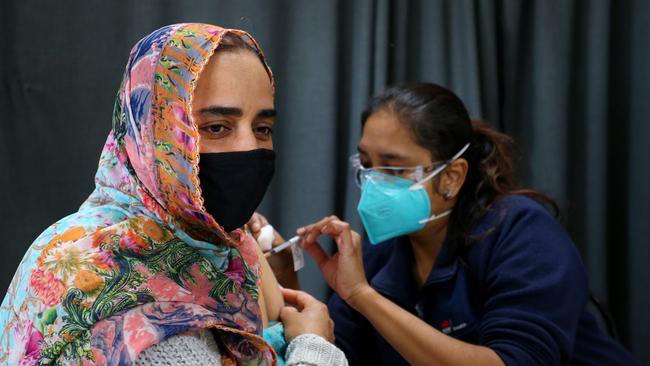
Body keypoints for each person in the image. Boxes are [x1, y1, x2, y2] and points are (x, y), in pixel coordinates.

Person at [0, 23, 346, 366]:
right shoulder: (117, 296)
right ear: (150, 135)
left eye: (262, 128)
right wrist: (315, 347)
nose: (249, 148)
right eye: (216, 127)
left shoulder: (223, 249)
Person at [257, 83, 638, 365]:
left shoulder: (522, 233)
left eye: (394, 168)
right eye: (368, 166)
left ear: (452, 177)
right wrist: (284, 278)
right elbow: (338, 358)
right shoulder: (382, 253)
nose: (373, 183)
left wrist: (362, 296)